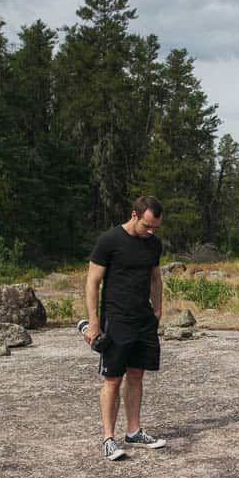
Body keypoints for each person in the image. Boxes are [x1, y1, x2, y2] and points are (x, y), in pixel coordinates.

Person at [83, 196, 168, 460]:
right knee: (113, 379)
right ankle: (109, 439)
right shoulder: (110, 240)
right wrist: (94, 321)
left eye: (155, 227)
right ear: (134, 215)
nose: (151, 231)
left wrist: (157, 309)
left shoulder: (153, 244)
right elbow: (92, 282)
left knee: (136, 375)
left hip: (143, 319)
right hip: (116, 319)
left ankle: (134, 431)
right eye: (147, 226)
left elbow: (155, 277)